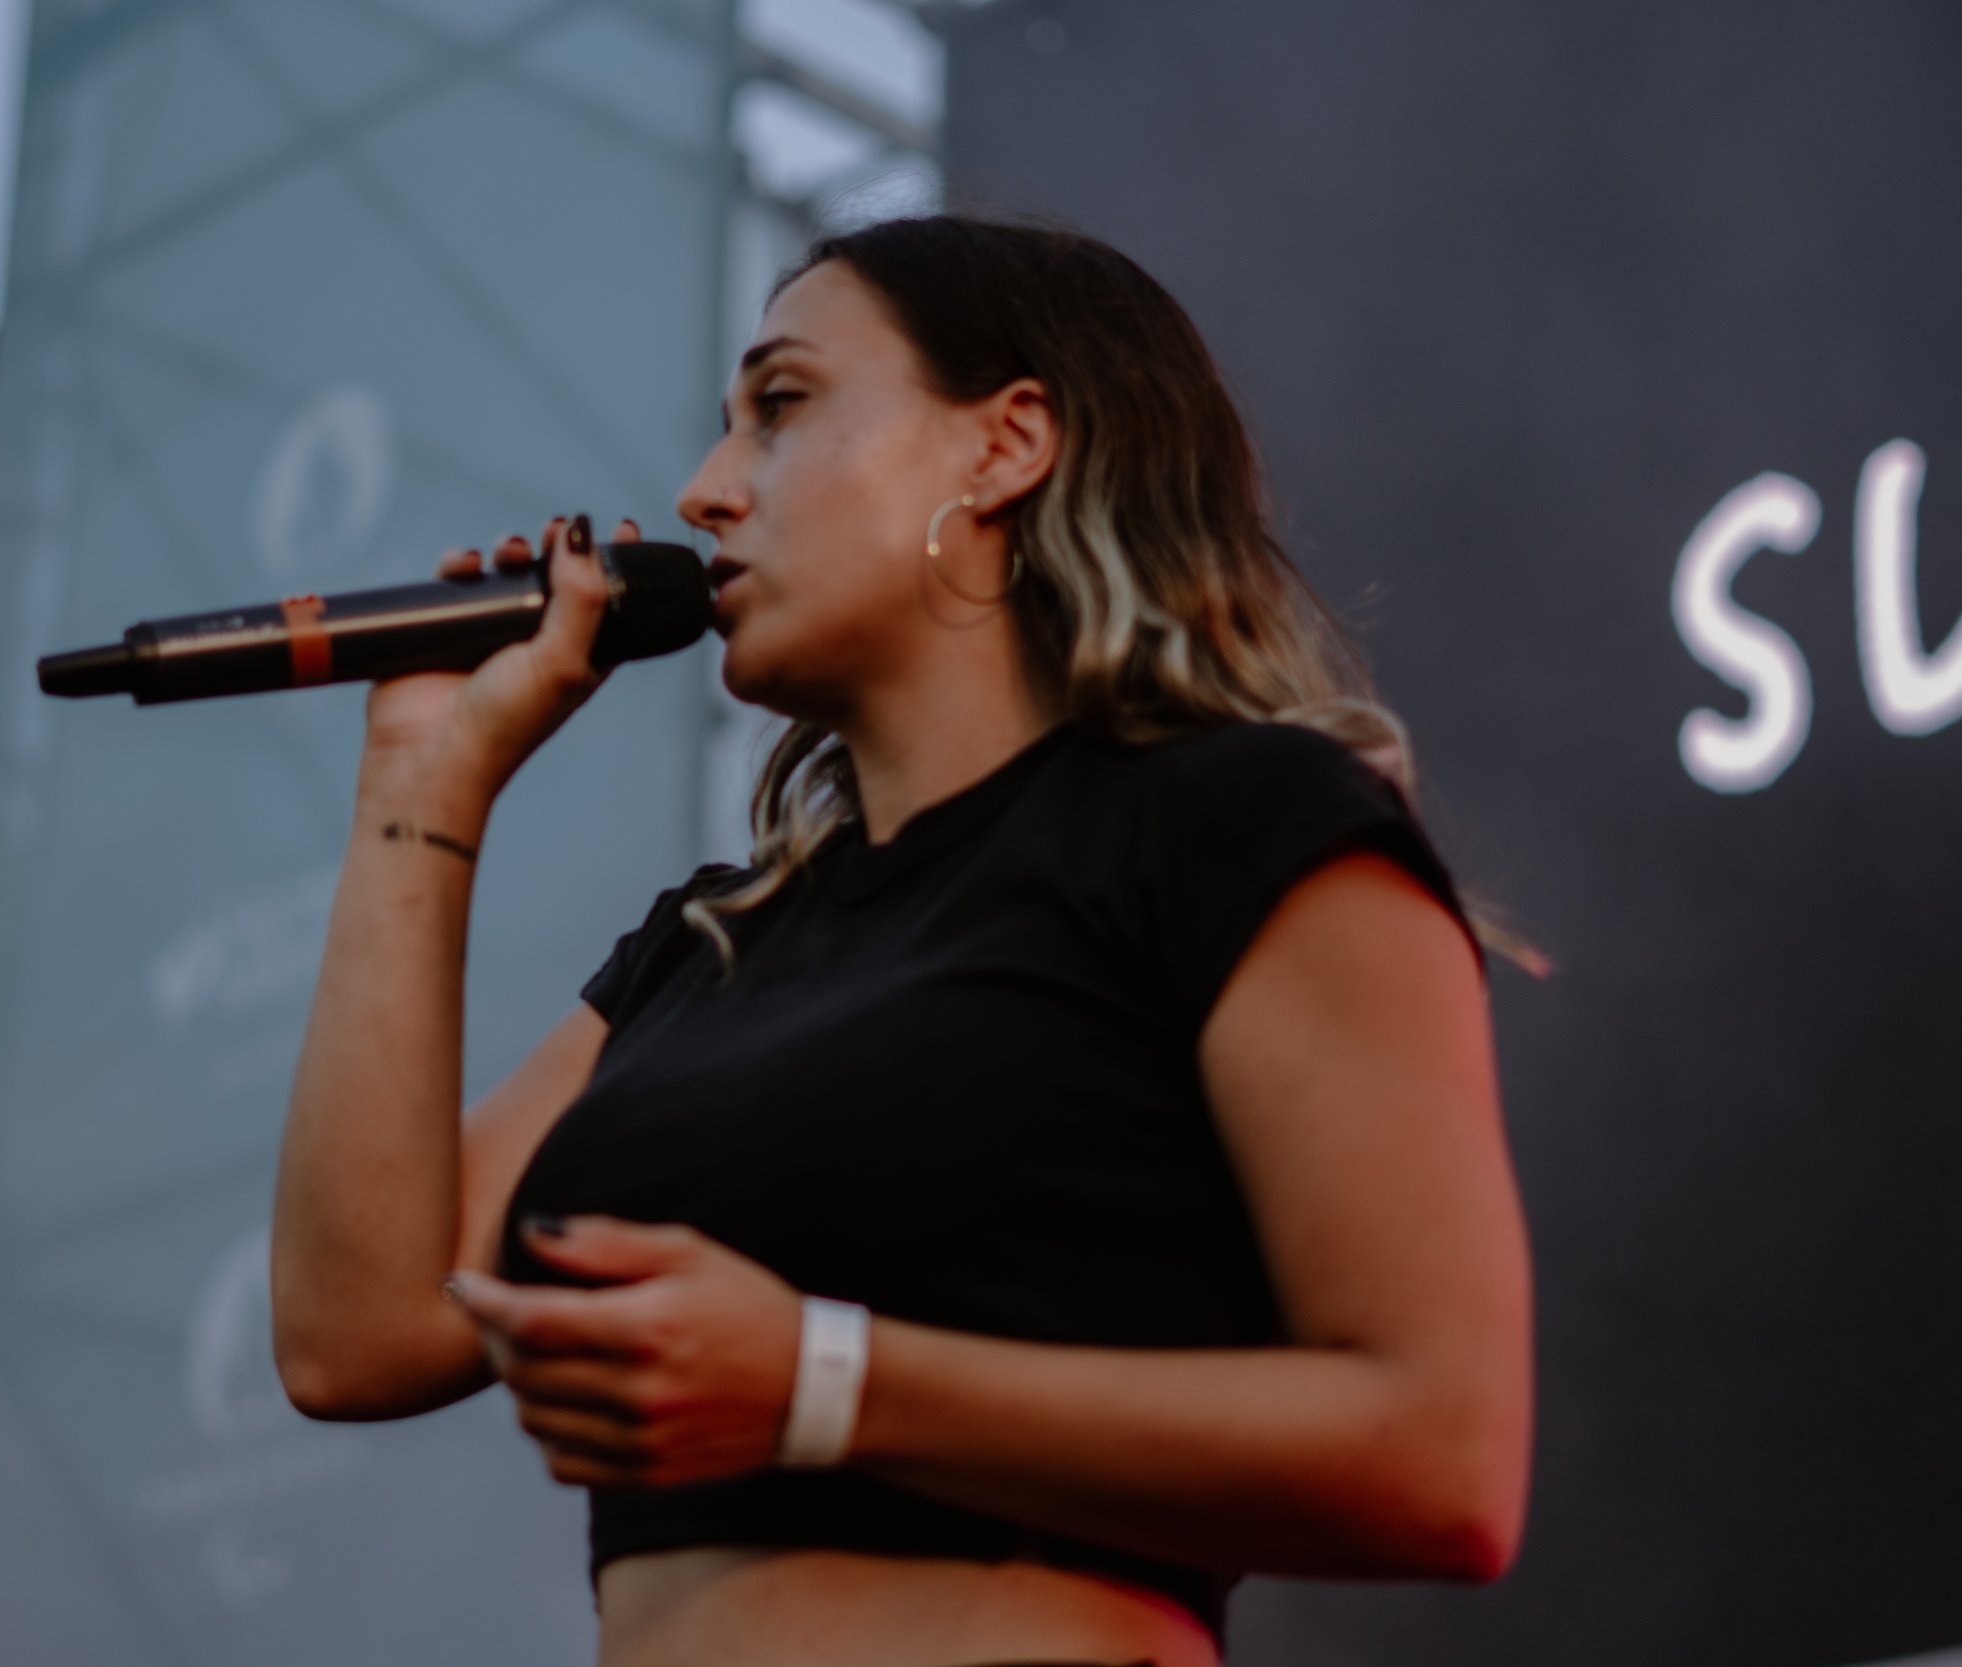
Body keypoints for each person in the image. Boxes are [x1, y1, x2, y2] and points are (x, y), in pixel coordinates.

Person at [269, 212, 1534, 1667]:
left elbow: (1442, 1457)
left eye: (780, 408)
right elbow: (355, 1337)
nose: (702, 492)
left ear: (1005, 446)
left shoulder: (1237, 824)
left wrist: (823, 1383)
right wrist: (422, 781)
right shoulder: (716, 941)